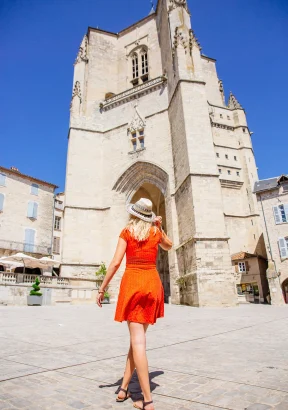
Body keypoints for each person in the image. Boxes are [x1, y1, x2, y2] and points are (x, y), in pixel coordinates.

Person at [96, 198, 172, 410]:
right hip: (152, 286)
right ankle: (123, 388)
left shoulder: (126, 232)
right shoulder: (155, 233)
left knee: (137, 342)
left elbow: (115, 263)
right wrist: (159, 227)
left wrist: (102, 288)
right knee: (135, 341)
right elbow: (169, 245)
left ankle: (147, 400)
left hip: (133, 286)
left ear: (134, 213)